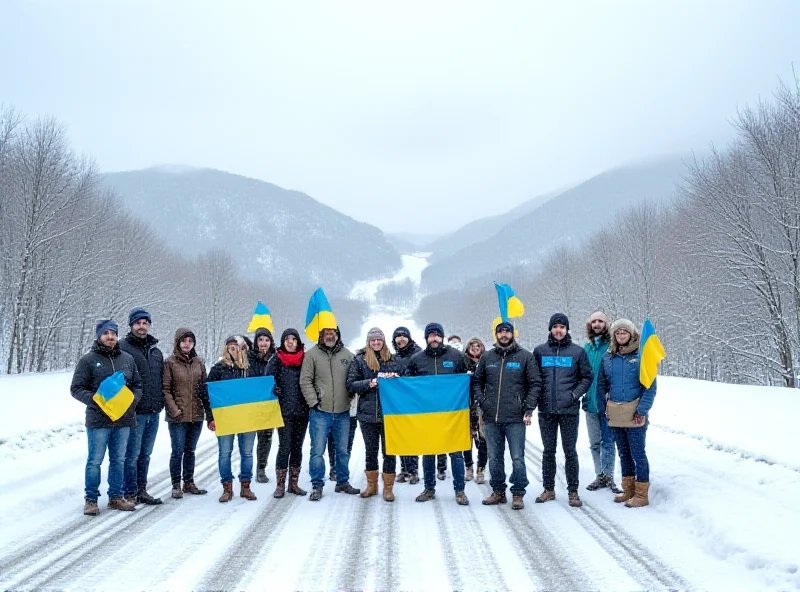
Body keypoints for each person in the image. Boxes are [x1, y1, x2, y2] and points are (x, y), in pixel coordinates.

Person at [70, 319, 142, 516]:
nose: (110, 337)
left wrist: (132, 400)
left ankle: (116, 497)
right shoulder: (88, 360)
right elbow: (76, 388)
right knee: (95, 460)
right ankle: (91, 499)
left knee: (118, 460)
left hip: (123, 420)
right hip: (98, 420)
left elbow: (137, 384)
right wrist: (96, 400)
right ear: (99, 336)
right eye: (106, 333)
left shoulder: (127, 359)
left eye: (113, 333)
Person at [472, 322, 537, 510]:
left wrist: (528, 406)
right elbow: (477, 382)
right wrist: (482, 402)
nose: (504, 334)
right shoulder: (487, 357)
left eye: (507, 331)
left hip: (515, 417)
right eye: (500, 331)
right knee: (494, 457)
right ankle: (498, 491)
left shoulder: (525, 357)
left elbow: (535, 384)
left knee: (517, 457)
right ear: (496, 334)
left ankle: (518, 492)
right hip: (491, 417)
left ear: (512, 334)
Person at [404, 322, 470, 506]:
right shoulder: (417, 359)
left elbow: (466, 383)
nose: (434, 338)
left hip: (452, 415)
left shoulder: (456, 356)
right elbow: (407, 384)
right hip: (428, 415)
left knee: (456, 453)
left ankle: (459, 491)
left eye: (437, 335)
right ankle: (429, 489)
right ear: (426, 338)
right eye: (431, 335)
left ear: (442, 337)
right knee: (428, 453)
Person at [532, 313, 593, 508]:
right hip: (546, 410)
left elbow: (587, 378)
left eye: (562, 327)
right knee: (548, 451)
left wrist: (574, 395)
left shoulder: (577, 352)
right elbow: (533, 379)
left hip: (569, 411)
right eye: (555, 327)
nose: (559, 330)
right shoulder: (540, 352)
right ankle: (548, 489)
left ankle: (573, 491)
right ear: (550, 329)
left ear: (567, 330)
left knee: (570, 451)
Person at [597, 319, 657, 508]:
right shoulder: (608, 358)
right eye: (618, 332)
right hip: (615, 413)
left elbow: (650, 387)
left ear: (631, 334)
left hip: (635, 413)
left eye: (625, 332)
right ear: (614, 336)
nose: (621, 335)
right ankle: (628, 490)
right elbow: (601, 385)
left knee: (638, 453)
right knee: (623, 453)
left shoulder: (641, 355)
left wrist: (642, 410)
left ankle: (641, 494)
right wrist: (604, 407)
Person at [300, 327, 360, 500]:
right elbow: (305, 380)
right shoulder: (312, 355)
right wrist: (314, 402)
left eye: (332, 333)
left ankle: (343, 481)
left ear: (338, 335)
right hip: (320, 412)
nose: (329, 335)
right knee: (318, 451)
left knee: (342, 450)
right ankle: (317, 485)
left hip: (342, 412)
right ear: (321, 336)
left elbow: (354, 378)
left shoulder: (347, 356)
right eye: (326, 333)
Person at [347, 328, 401, 502]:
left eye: (379, 340)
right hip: (367, 414)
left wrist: (396, 378)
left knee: (389, 451)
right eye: (373, 340)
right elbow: (351, 384)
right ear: (368, 342)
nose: (376, 343)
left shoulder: (393, 360)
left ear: (384, 341)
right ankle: (372, 485)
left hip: (389, 414)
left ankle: (388, 488)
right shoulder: (359, 361)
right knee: (371, 451)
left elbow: (404, 382)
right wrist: (370, 383)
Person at [119, 307, 165, 506]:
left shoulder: (156, 351)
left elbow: (161, 379)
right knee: (132, 454)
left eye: (145, 323)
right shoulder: (122, 348)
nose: (141, 326)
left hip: (153, 411)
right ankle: (129, 492)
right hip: (134, 412)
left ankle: (141, 489)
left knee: (145, 454)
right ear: (131, 325)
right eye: (138, 323)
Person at [205, 335, 258, 503]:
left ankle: (246, 486)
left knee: (247, 453)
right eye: (230, 346)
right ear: (226, 348)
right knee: (225, 453)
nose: (233, 348)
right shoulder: (218, 369)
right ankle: (227, 488)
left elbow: (261, 391)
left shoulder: (251, 369)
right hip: (225, 418)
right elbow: (207, 394)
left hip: (247, 418)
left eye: (237, 346)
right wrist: (211, 417)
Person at [162, 327, 209, 499]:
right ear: (177, 342)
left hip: (196, 414)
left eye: (190, 341)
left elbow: (205, 389)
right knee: (177, 450)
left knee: (190, 450)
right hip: (178, 416)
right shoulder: (170, 363)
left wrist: (209, 412)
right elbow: (165, 389)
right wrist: (174, 410)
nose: (187, 344)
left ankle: (188, 482)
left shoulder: (199, 363)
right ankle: (176, 485)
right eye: (184, 341)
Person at [266, 328, 309, 498]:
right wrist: (274, 389)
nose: (290, 342)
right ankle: (280, 485)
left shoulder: (305, 359)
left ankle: (294, 484)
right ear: (283, 342)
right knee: (284, 447)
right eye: (287, 339)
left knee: (297, 447)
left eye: (293, 339)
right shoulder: (276, 360)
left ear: (298, 341)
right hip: (283, 411)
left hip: (302, 410)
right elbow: (267, 381)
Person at [582, 310, 621, 494]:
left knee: (608, 442)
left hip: (608, 404)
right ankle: (599, 475)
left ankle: (609, 475)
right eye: (594, 321)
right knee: (594, 443)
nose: (597, 324)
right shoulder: (587, 348)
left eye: (601, 321)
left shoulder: (612, 346)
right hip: (590, 402)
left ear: (606, 324)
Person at [392, 326, 421, 484]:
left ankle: (413, 470)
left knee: (412, 437)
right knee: (401, 436)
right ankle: (404, 469)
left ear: (409, 338)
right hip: (398, 402)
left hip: (414, 401)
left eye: (404, 336)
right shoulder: (394, 356)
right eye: (398, 336)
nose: (401, 339)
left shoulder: (418, 353)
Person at [248, 327, 276, 484]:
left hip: (269, 404)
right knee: (248, 440)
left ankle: (261, 468)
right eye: (260, 340)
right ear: (256, 342)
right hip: (251, 404)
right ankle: (246, 471)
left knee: (265, 438)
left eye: (266, 340)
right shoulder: (248, 358)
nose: (263, 343)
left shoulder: (276, 358)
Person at [464, 336, 488, 484]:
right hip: (465, 405)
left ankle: (481, 468)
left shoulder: (487, 362)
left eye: (478, 345)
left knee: (483, 438)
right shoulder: (462, 362)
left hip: (482, 406)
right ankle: (468, 467)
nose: (475, 347)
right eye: (472, 345)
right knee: (466, 438)